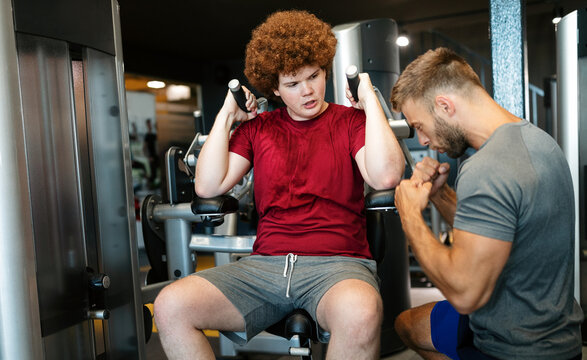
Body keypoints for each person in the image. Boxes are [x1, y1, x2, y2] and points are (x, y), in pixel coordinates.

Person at [153, 10, 405, 360]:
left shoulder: (350, 122)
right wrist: (227, 115)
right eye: (292, 84)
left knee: (362, 311)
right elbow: (207, 187)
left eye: (314, 76)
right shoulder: (259, 129)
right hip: (265, 267)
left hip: (337, 265)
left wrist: (369, 103)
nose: (308, 91)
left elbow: (386, 176)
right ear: (273, 87)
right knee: (170, 304)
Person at [391, 47, 583, 360]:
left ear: (444, 106)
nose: (422, 140)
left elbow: (465, 294)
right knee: (409, 325)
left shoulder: (487, 168)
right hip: (558, 337)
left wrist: (410, 214)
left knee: (408, 319)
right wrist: (440, 194)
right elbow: (496, 229)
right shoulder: (537, 140)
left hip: (511, 349)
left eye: (420, 125)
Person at [143, 118, 159, 187]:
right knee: (153, 175)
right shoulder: (147, 136)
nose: (150, 125)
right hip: (151, 157)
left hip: (156, 156)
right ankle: (148, 184)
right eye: (149, 124)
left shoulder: (154, 135)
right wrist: (148, 157)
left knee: (157, 172)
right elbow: (144, 148)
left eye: (150, 124)